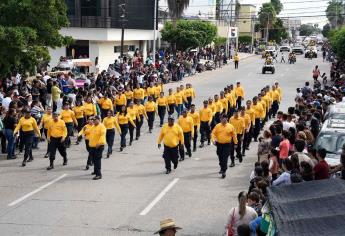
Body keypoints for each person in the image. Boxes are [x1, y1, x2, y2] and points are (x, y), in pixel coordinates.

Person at [212, 114, 238, 178]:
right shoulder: (217, 126)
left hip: (227, 145)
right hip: (219, 144)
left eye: (225, 118)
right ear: (221, 119)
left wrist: (235, 143)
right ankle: (222, 167)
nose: (223, 119)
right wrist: (213, 140)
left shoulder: (231, 126)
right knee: (220, 157)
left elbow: (234, 135)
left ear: (227, 119)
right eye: (222, 118)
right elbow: (213, 133)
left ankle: (224, 171)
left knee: (225, 158)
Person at [88, 115, 106, 180]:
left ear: (99, 120)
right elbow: (89, 132)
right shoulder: (93, 127)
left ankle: (99, 174)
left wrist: (99, 143)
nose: (94, 121)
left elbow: (102, 136)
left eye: (95, 120)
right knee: (94, 159)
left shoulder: (102, 126)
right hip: (92, 146)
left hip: (98, 146)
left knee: (97, 160)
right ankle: (95, 171)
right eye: (93, 120)